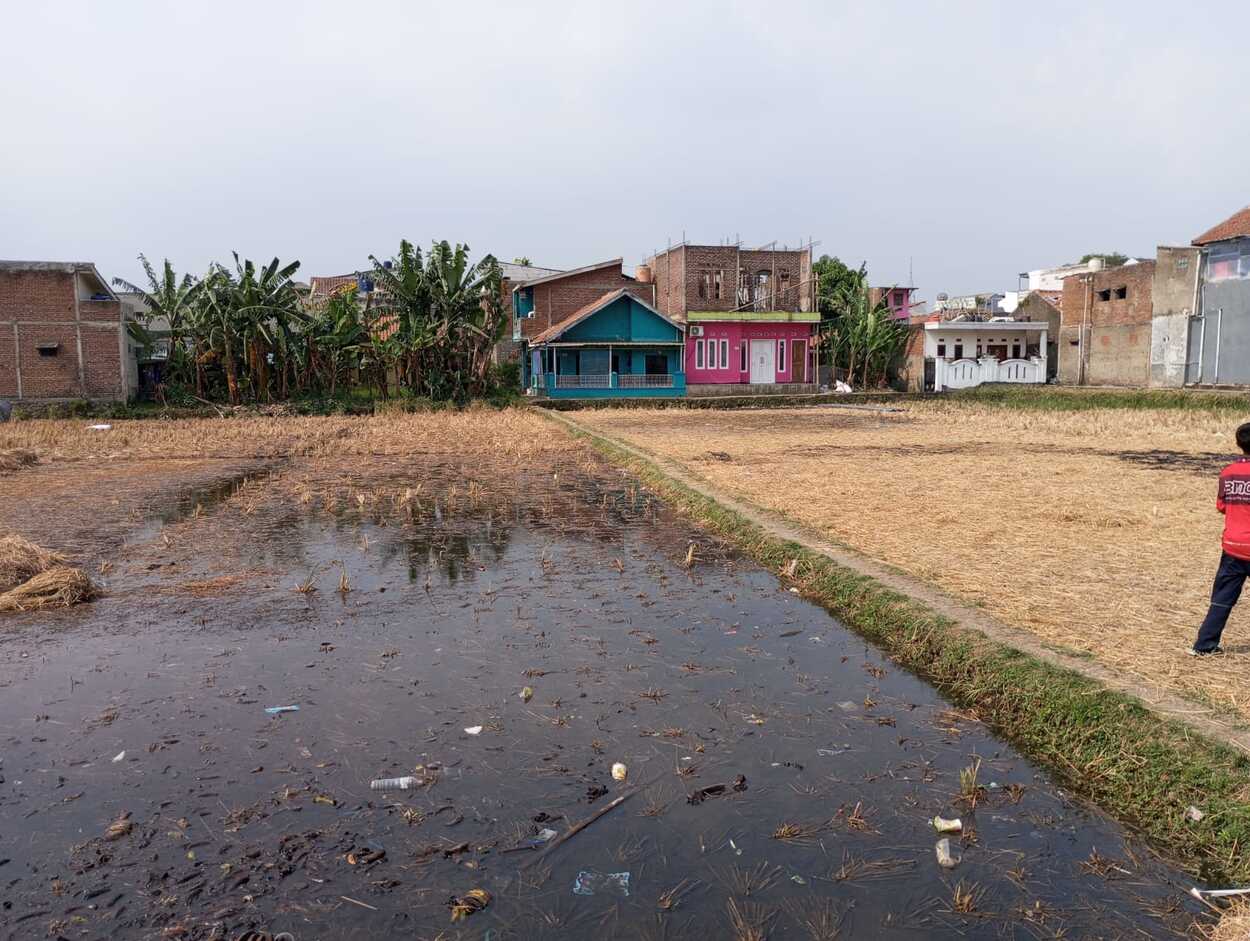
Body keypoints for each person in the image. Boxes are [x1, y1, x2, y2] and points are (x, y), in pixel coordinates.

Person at [1192, 422, 1250, 655]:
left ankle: (1204, 645)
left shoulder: (1228, 472)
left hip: (1233, 546)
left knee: (1222, 599)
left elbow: (1222, 506)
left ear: (1238, 444)